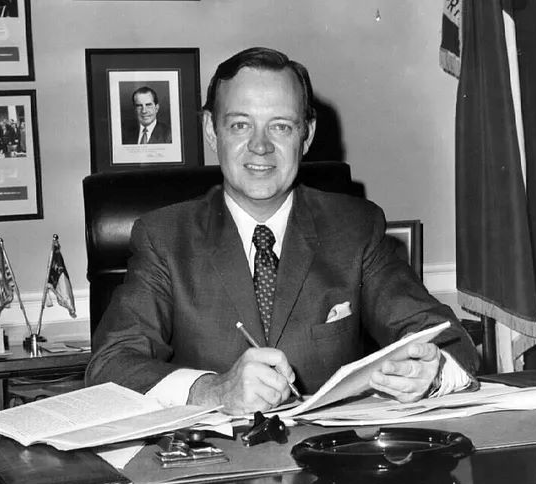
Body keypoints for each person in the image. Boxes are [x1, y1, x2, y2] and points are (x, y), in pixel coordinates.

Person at [86, 47, 479, 415]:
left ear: (306, 134)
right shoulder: (165, 238)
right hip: (208, 471)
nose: (260, 146)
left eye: (281, 127)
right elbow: (109, 364)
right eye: (240, 125)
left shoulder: (354, 229)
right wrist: (212, 390)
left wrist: (432, 371)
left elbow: (447, 339)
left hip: (328, 471)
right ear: (211, 130)